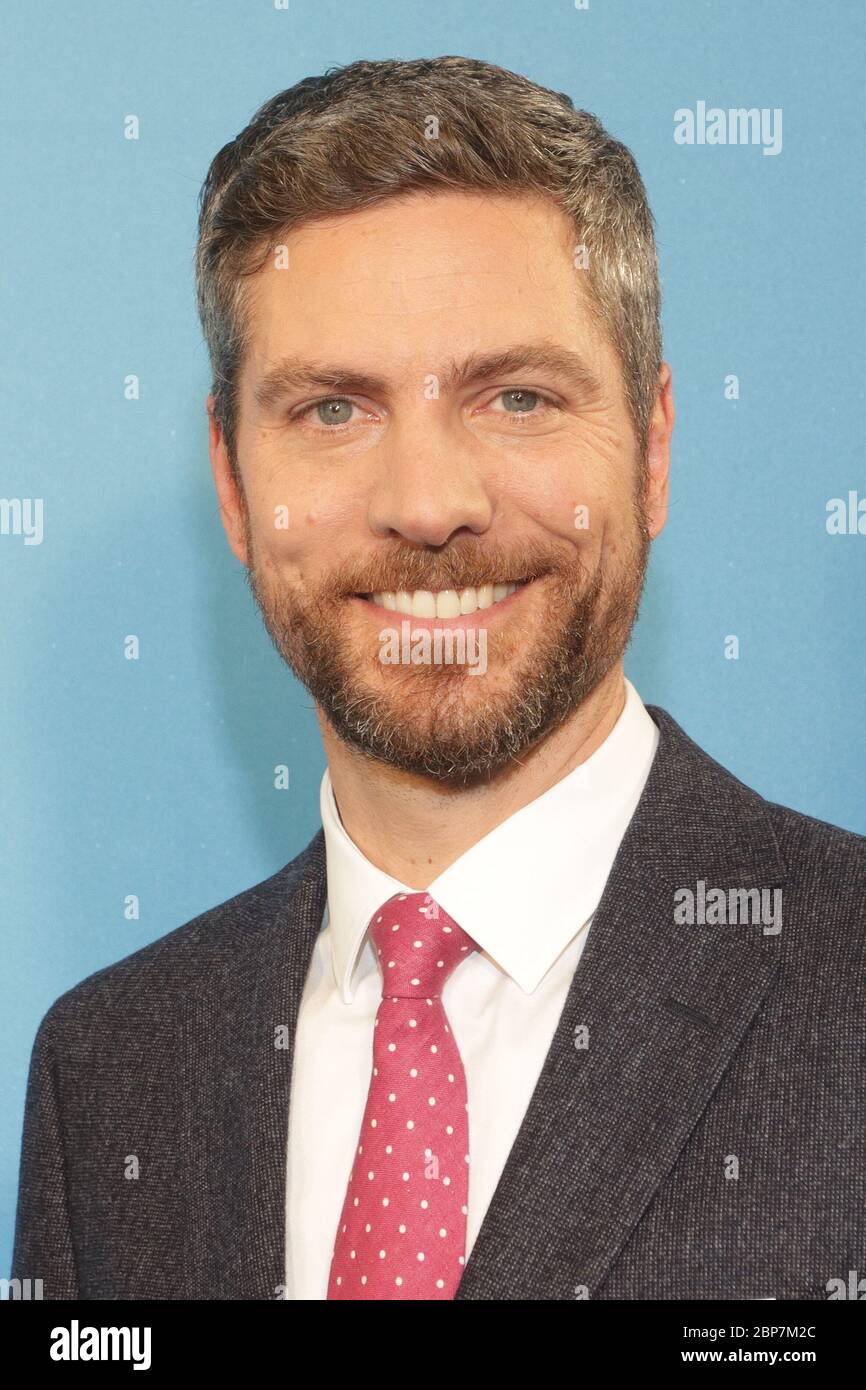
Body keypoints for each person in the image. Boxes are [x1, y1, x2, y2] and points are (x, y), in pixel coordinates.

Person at [11, 56, 865, 1301]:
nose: (426, 505)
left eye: (515, 396)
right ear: (234, 483)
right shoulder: (109, 1071)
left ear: (652, 446)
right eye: (331, 411)